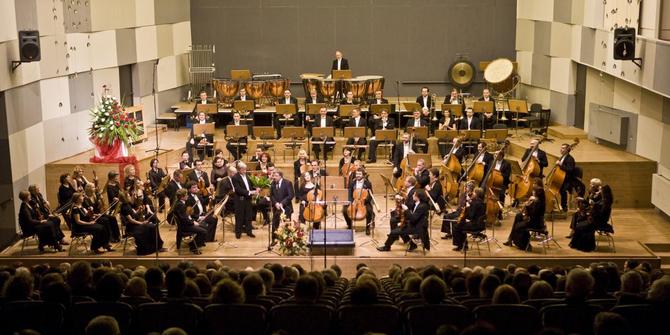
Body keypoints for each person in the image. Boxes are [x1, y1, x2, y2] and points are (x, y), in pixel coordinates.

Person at [503, 186, 546, 250]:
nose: (533, 192)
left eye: (534, 191)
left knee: (518, 225)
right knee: (518, 216)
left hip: (535, 223)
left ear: (537, 193)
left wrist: (527, 206)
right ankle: (511, 239)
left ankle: (522, 244)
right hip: (534, 221)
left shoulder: (537, 202)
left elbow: (533, 214)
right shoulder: (539, 201)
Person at [172, 189, 207, 254]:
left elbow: (186, 216)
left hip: (185, 224)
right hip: (184, 227)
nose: (187, 196)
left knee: (204, 226)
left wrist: (193, 220)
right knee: (203, 231)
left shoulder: (179, 203)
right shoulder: (180, 205)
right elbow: (184, 219)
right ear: (182, 197)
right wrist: (193, 222)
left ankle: (195, 243)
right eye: (186, 195)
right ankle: (193, 248)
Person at [343, 168, 375, 234]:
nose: (358, 175)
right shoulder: (352, 183)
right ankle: (349, 225)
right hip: (354, 201)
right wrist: (351, 202)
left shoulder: (367, 183)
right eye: (357, 174)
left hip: (364, 202)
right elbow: (350, 194)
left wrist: (364, 200)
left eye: (359, 174)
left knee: (369, 211)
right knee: (344, 210)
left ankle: (367, 227)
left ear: (363, 175)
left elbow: (370, 194)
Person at [231, 162, 258, 239]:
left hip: (248, 199)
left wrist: (256, 188)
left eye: (245, 169)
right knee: (239, 217)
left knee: (248, 216)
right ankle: (238, 233)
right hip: (240, 200)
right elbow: (238, 189)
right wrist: (249, 192)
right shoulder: (235, 177)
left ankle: (249, 232)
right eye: (243, 170)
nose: (245, 171)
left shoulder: (247, 175)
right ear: (239, 170)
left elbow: (251, 185)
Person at [270, 170, 294, 240]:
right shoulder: (273, 183)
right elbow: (271, 195)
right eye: (274, 176)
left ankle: (288, 240)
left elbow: (291, 195)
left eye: (276, 176)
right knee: (275, 223)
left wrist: (282, 203)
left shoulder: (288, 183)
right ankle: (274, 239)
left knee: (287, 224)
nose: (274, 177)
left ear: (281, 176)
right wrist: (275, 203)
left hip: (286, 207)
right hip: (276, 207)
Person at [555, 143, 577, 212]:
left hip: (568, 180)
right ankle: (554, 204)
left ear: (568, 150)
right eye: (561, 148)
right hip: (561, 178)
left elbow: (570, 170)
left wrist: (560, 164)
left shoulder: (570, 159)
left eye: (563, 148)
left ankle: (564, 207)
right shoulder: (562, 157)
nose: (561, 149)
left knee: (562, 190)